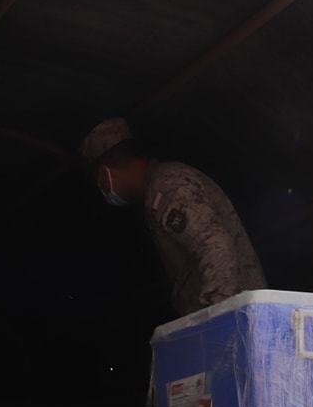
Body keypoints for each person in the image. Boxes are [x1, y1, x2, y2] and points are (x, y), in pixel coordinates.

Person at [82, 117, 266, 315]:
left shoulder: (168, 188)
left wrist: (215, 319)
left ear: (105, 173)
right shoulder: (159, 190)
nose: (102, 189)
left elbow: (215, 247)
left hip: (236, 322)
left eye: (99, 182)